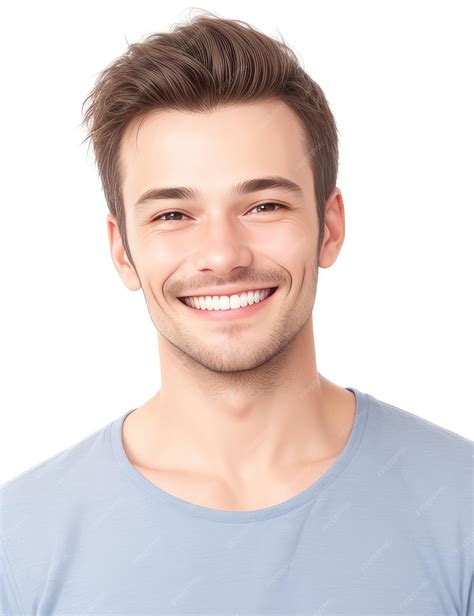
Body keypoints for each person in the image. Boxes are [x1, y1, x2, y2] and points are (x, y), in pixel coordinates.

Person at [1, 11, 472, 615]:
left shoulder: (462, 508)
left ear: (329, 227)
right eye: (173, 215)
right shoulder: (20, 543)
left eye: (264, 205)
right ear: (122, 250)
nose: (223, 255)